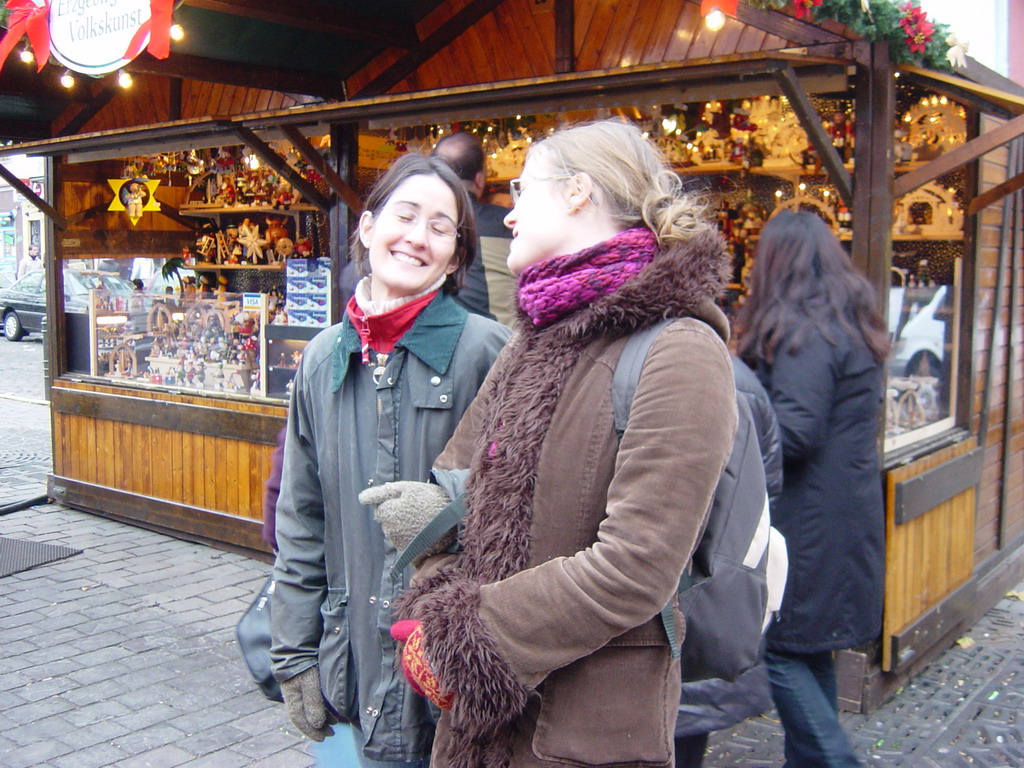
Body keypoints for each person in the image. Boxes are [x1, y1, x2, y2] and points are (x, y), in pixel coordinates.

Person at [365, 120, 738, 768]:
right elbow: (454, 481)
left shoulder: (682, 350)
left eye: (521, 189)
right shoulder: (533, 337)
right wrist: (434, 582)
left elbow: (636, 568)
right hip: (476, 731)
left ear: (576, 193)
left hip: (580, 741)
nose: (506, 215)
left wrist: (468, 637)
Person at [269, 153, 511, 767]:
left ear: (456, 257)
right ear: (368, 228)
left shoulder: (488, 352)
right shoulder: (324, 357)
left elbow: (528, 504)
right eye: (405, 216)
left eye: (440, 227)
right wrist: (295, 653)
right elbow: (302, 517)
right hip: (348, 662)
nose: (417, 237)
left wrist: (450, 507)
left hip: (451, 680)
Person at [736, 211, 890, 768]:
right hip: (840, 512)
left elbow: (795, 431)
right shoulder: (846, 318)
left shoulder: (807, 331)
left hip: (809, 523)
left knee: (773, 645)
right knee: (808, 648)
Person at [673, 355, 783, 768]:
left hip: (678, 617)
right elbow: (768, 491)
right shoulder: (739, 376)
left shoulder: (707, 375)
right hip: (709, 612)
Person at [431, 130, 517, 325]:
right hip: (507, 345)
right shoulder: (509, 224)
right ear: (479, 179)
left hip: (442, 345)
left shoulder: (421, 229)